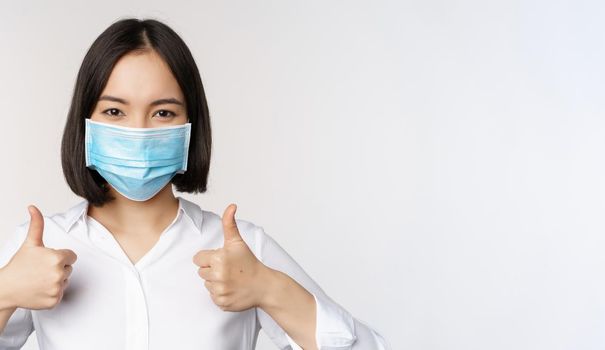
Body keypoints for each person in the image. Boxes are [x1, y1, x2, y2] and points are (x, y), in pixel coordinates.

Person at [0, 18, 388, 350]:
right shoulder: (37, 249)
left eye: (163, 112)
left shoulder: (242, 252)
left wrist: (270, 289)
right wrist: (4, 294)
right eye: (114, 111)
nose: (139, 131)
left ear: (190, 126)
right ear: (85, 122)